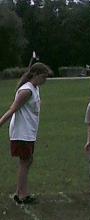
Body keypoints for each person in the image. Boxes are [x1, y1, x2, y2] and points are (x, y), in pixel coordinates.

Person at [0, 62, 53, 204]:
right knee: (25, 161)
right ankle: (23, 195)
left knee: (28, 161)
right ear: (35, 75)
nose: (45, 80)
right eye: (44, 77)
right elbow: (12, 109)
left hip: (29, 131)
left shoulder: (35, 88)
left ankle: (19, 192)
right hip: (21, 132)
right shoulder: (26, 90)